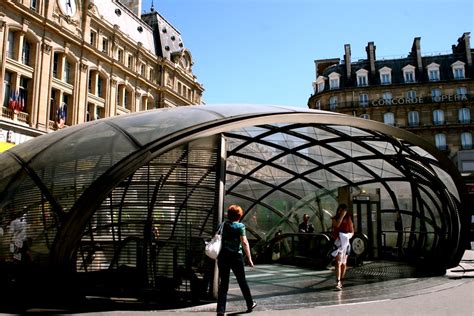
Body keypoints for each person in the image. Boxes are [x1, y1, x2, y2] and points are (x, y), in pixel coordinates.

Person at [216, 205, 257, 315]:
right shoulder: (240, 226)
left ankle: (221, 310)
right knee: (242, 281)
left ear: (228, 215)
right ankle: (250, 303)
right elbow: (244, 242)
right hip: (236, 257)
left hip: (223, 256)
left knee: (224, 283)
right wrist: (249, 258)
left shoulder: (223, 225)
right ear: (239, 215)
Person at [331, 204, 354, 290]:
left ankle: (341, 280)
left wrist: (348, 236)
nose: (341, 212)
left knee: (344, 263)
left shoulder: (348, 219)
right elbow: (336, 225)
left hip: (346, 242)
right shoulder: (334, 218)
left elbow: (352, 231)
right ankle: (338, 281)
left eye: (343, 210)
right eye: (340, 210)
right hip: (338, 242)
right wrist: (341, 216)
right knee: (338, 262)